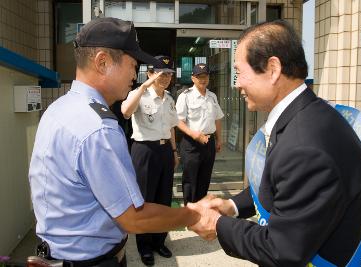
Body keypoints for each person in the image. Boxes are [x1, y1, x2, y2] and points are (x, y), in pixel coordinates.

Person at [188, 20, 361, 266]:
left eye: (240, 72)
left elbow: (281, 250)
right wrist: (231, 205)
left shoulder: (305, 146)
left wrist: (217, 224)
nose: (237, 83)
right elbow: (285, 187)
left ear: (273, 69)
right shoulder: (307, 118)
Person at [28, 17, 200, 267]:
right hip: (90, 260)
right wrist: (194, 215)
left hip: (60, 253)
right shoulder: (98, 128)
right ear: (102, 62)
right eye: (132, 64)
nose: (135, 73)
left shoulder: (59, 108)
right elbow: (133, 218)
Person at [120, 55, 179, 266]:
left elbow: (172, 127)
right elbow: (125, 112)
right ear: (150, 74)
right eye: (161, 74)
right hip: (144, 151)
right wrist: (144, 86)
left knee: (163, 199)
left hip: (164, 152)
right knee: (145, 201)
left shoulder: (169, 99)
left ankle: (158, 241)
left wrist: (174, 151)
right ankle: (144, 247)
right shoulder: (140, 95)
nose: (165, 78)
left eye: (169, 74)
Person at [175, 63, 224, 205]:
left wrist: (219, 139)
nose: (203, 79)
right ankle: (189, 211)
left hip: (209, 141)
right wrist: (195, 135)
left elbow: (217, 118)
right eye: (199, 76)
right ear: (193, 78)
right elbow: (178, 121)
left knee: (205, 177)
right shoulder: (185, 96)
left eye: (205, 76)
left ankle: (201, 209)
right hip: (191, 143)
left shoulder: (212, 96)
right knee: (190, 179)